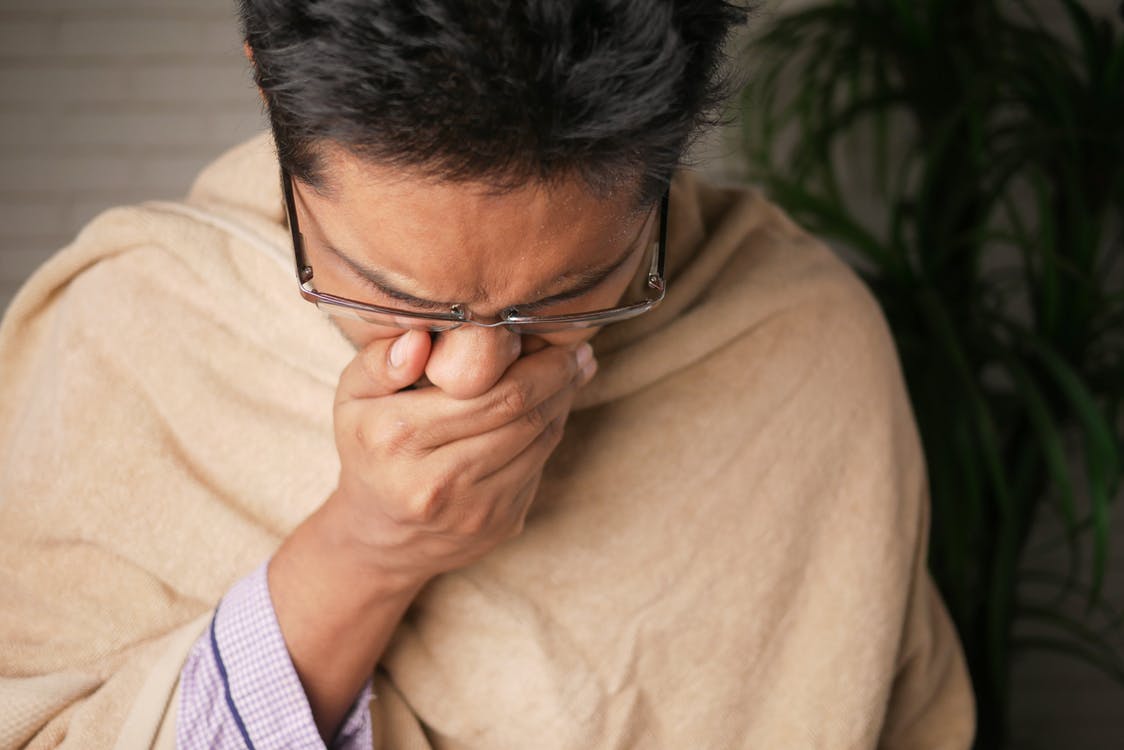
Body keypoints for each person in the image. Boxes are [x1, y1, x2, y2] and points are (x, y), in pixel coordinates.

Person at [0, 1, 975, 748]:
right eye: (386, 291)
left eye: (578, 290)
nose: (473, 376)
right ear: (270, 95)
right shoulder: (125, 335)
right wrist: (363, 553)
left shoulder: (804, 347)